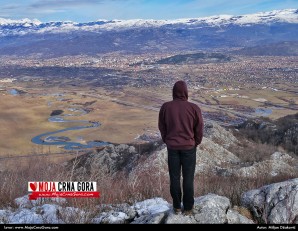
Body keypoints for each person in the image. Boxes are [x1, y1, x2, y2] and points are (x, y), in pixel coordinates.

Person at [158, 80, 203, 215]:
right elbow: (199, 129)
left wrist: (167, 140)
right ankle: (188, 208)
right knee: (188, 178)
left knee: (174, 177)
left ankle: (177, 206)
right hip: (189, 148)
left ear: (173, 92)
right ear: (186, 92)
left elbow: (162, 126)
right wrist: (195, 142)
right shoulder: (194, 108)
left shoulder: (166, 107)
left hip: (172, 148)